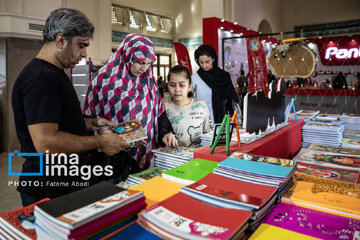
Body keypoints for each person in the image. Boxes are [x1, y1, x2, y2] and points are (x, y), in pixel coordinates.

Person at [12, 8, 130, 206]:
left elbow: (58, 121)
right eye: (81, 45)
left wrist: (91, 123)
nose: (84, 53)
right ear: (60, 40)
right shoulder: (42, 78)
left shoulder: (54, 73)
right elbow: (46, 143)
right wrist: (100, 142)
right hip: (50, 188)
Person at [83, 34, 177, 173]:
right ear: (127, 55)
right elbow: (88, 121)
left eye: (149, 63)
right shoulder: (103, 81)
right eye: (140, 62)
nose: (144, 68)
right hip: (115, 158)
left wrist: (165, 133)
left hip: (148, 154)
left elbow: (159, 114)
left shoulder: (149, 81)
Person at [163, 65, 212, 147]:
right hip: (174, 158)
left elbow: (208, 133)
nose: (177, 89)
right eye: (172, 85)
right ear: (167, 85)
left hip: (199, 156)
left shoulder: (200, 105)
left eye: (181, 85)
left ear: (189, 86)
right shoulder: (163, 107)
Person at [192, 44, 239, 125]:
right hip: (203, 122)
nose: (204, 65)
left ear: (213, 59)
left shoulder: (224, 77)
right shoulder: (195, 78)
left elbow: (232, 98)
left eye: (207, 62)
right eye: (201, 62)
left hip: (224, 121)